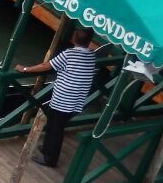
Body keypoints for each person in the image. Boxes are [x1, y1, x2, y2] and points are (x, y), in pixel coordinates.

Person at [14, 27, 99, 168]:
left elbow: (47, 65)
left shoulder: (69, 54)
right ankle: (47, 148)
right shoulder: (91, 55)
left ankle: (50, 159)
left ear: (73, 39)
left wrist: (25, 69)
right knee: (54, 125)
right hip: (76, 101)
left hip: (63, 101)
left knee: (56, 130)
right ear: (89, 41)